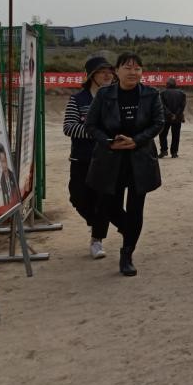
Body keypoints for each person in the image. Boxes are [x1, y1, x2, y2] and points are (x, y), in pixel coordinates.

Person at [85, 52, 164, 276]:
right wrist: (109, 142)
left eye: (137, 68)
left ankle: (127, 254)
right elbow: (91, 125)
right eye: (128, 68)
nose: (133, 72)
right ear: (117, 71)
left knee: (136, 208)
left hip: (140, 160)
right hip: (110, 159)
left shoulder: (151, 94)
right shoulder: (104, 95)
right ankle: (127, 228)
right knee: (107, 205)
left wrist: (136, 140)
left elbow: (158, 122)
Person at [62, 56, 115, 259]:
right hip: (82, 159)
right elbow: (69, 127)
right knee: (77, 197)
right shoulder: (78, 99)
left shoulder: (115, 98)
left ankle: (96, 240)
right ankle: (96, 222)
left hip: (107, 159)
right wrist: (97, 132)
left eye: (110, 72)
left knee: (102, 199)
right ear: (92, 75)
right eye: (102, 72)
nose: (107, 75)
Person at [159, 77, 186, 159]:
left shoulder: (162, 93)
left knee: (163, 134)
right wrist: (176, 115)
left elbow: (162, 106)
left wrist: (170, 114)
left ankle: (164, 150)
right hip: (177, 118)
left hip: (166, 117)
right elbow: (182, 106)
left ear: (167, 85)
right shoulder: (182, 93)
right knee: (176, 135)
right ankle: (174, 153)